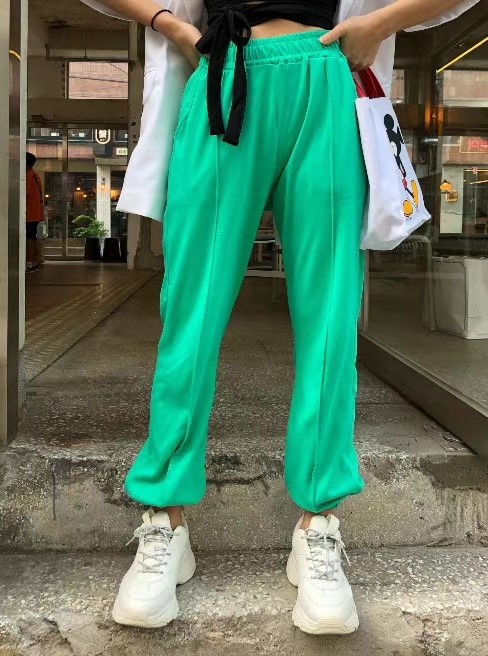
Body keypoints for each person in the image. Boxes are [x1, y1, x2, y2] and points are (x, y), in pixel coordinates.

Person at [82, 0, 480, 635]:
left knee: (330, 314)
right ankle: (166, 521)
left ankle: (318, 524)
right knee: (191, 311)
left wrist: (383, 23)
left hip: (323, 74)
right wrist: (171, 25)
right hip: (223, 74)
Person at [25, 152, 44, 273]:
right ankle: (34, 263)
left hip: (30, 212)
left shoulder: (28, 176)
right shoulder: (35, 175)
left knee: (29, 238)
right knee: (33, 237)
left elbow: (24, 194)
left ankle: (29, 264)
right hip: (36, 211)